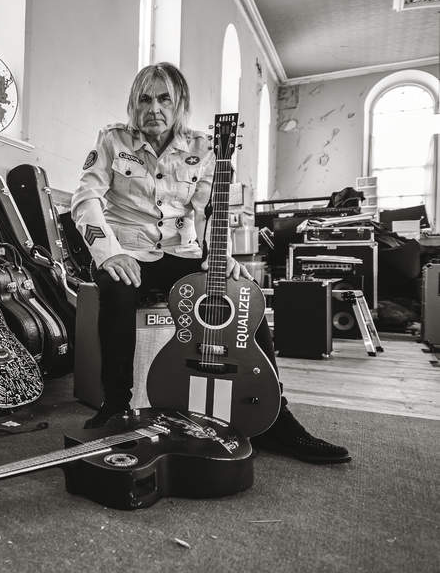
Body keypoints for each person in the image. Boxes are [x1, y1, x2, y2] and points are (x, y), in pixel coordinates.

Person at [71, 62, 350, 464]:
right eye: (145, 99)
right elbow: (85, 199)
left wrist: (221, 257)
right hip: (127, 249)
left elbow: (212, 211)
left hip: (182, 251)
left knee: (242, 294)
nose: (154, 108)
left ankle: (276, 418)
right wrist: (109, 251)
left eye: (164, 98)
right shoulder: (113, 140)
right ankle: (116, 405)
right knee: (117, 288)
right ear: (134, 104)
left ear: (180, 103)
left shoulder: (205, 148)